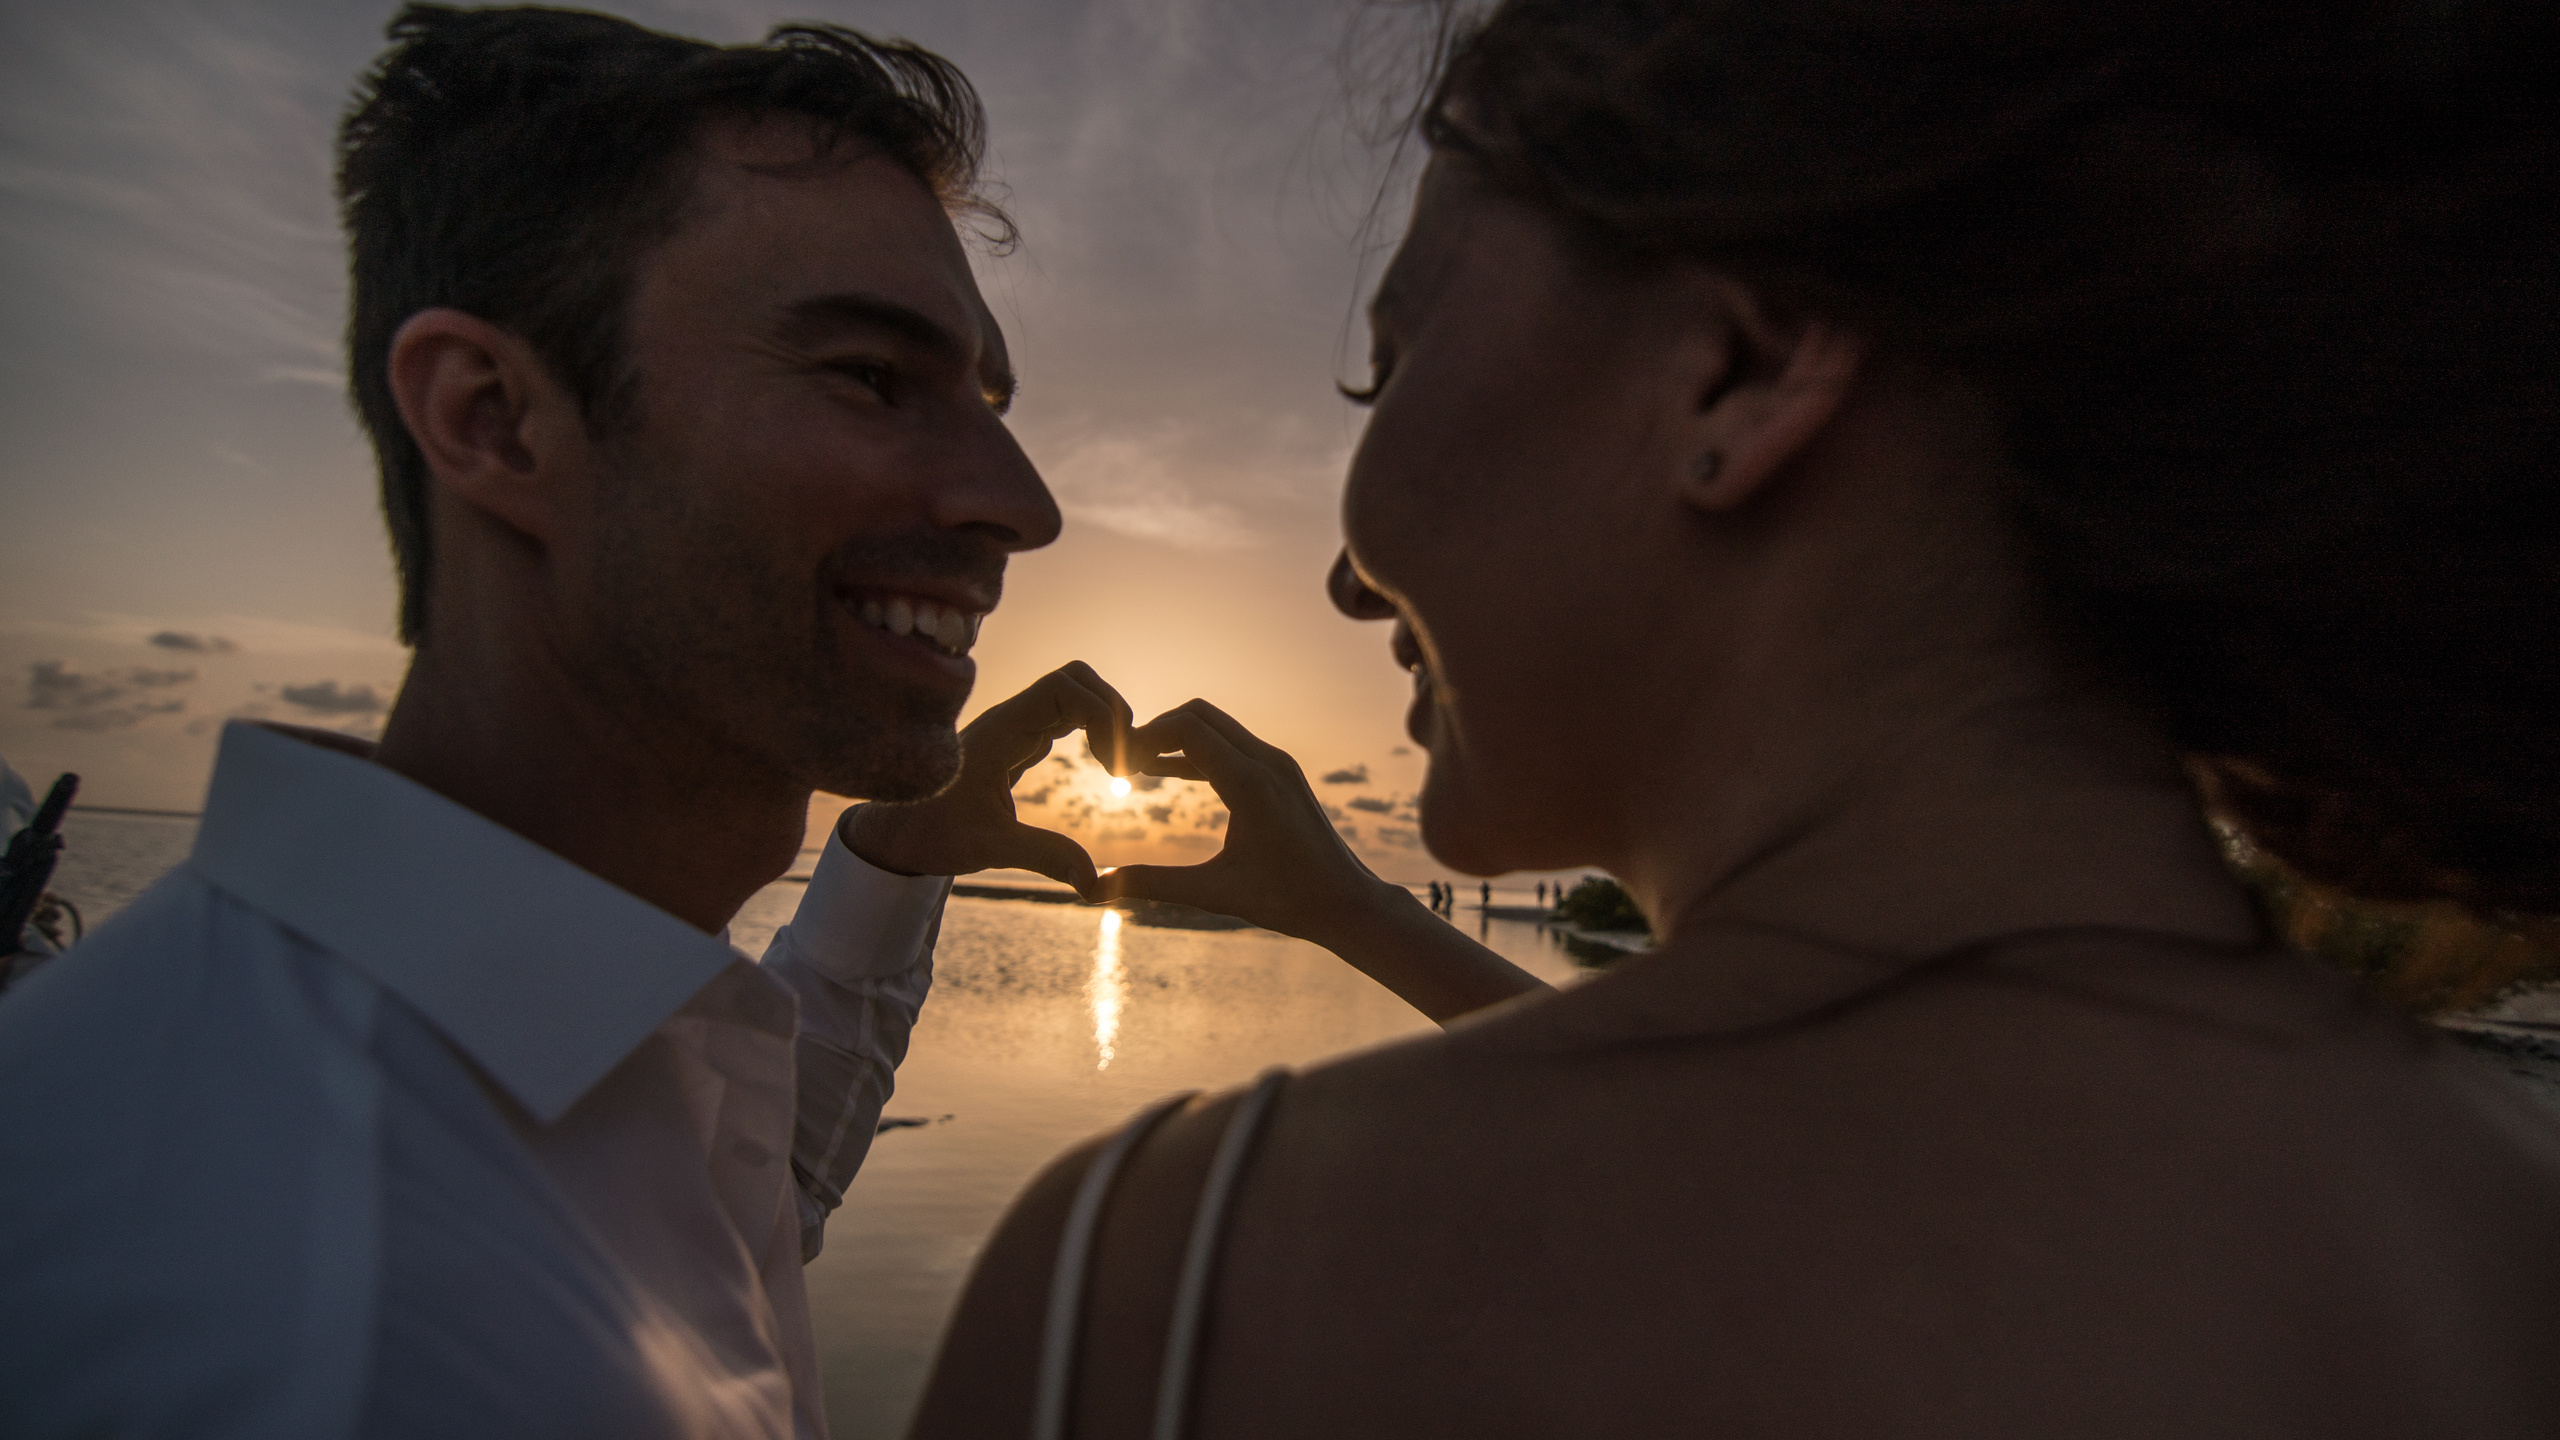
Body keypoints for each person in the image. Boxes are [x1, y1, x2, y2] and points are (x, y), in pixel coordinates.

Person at [913, 2, 2560, 1435]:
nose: (1350, 580)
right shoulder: (2493, 1235)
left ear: (1741, 370)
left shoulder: (1176, 1281)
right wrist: (1347, 910)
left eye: (1391, 362)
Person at [0, 10, 1538, 1436]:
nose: (1021, 505)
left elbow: (725, 1208)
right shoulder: (351, 1340)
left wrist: (900, 858)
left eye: (991, 402)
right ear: (491, 418)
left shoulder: (477, 1066)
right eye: (873, 378)